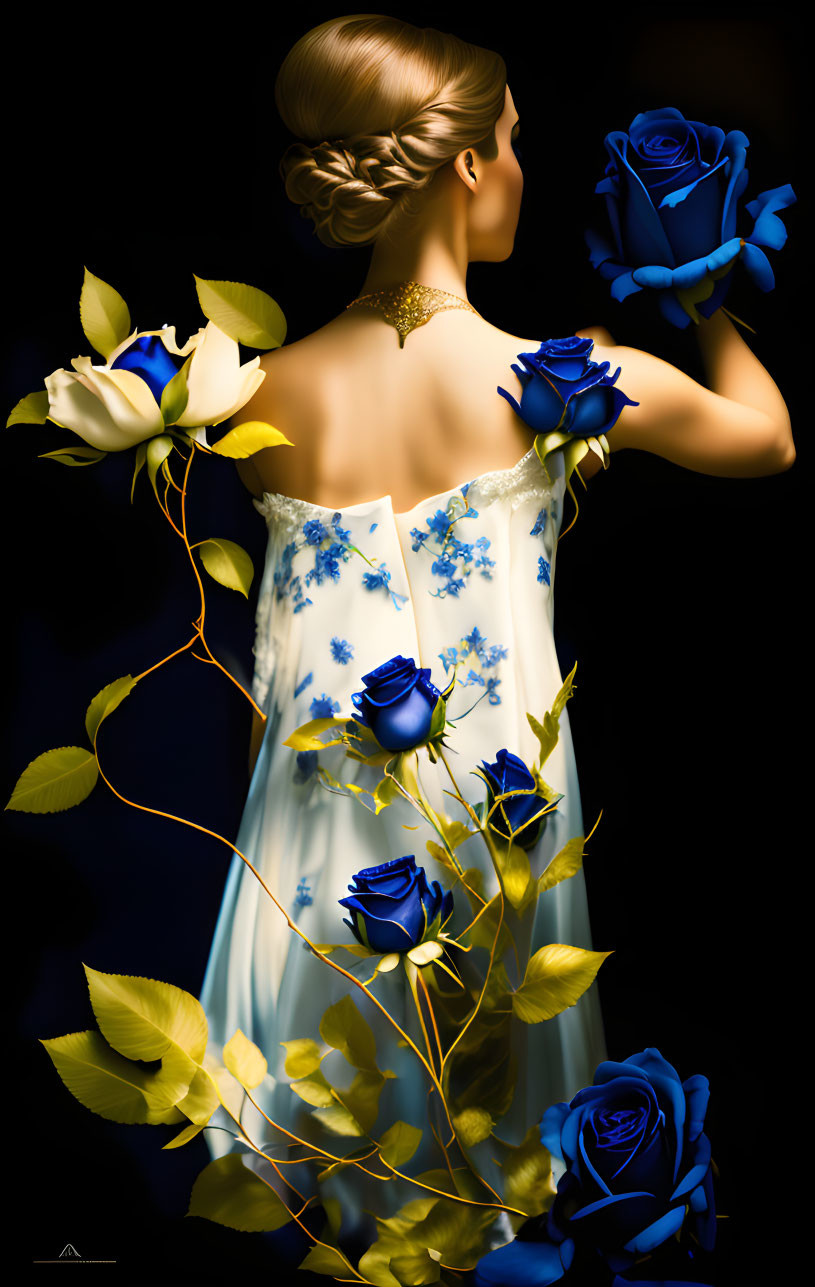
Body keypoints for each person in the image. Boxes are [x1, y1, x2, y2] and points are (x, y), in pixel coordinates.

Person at [199, 13, 794, 1269]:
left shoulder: (255, 392)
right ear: (465, 164)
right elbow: (765, 437)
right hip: (498, 817)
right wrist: (697, 296)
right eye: (513, 140)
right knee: (487, 1180)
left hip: (308, 846)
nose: (519, 165)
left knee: (315, 1183)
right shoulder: (554, 380)